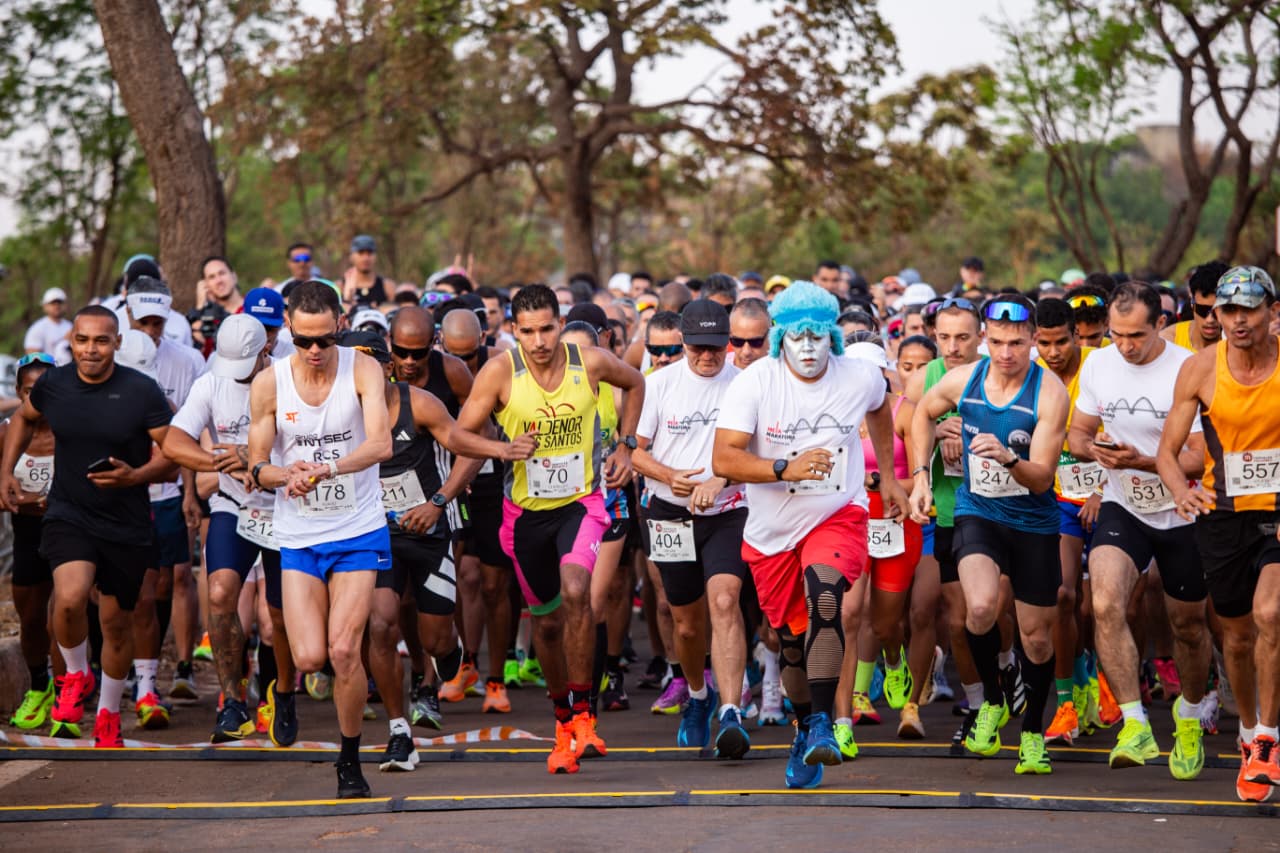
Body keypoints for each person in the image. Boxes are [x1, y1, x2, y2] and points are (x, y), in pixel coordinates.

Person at [713, 281, 909, 789]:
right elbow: (724, 458)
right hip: (771, 530)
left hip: (836, 513)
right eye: (796, 337)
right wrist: (785, 467)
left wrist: (887, 475)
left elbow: (881, 409)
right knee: (790, 642)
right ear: (780, 337)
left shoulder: (858, 376)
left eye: (817, 337)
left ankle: (824, 720)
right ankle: (805, 727)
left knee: (826, 596)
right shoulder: (755, 382)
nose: (806, 348)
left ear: (833, 340)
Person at [453, 283, 645, 775]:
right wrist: (503, 450)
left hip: (581, 504)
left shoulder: (591, 363)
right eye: (528, 331)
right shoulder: (500, 372)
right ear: (513, 331)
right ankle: (562, 719)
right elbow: (459, 433)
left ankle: (584, 714)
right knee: (547, 621)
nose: (539, 341)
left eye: (547, 329)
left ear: (560, 325)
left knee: (578, 590)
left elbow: (637, 384)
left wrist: (625, 447)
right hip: (525, 516)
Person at [909, 294, 1069, 776]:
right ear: (986, 339)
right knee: (977, 609)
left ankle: (1035, 734)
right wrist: (920, 473)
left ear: (1033, 341)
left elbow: (1042, 478)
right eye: (997, 342)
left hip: (1033, 521)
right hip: (978, 512)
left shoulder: (1050, 392)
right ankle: (993, 703)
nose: (1005, 354)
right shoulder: (965, 379)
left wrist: (1007, 458)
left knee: (1037, 639)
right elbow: (920, 413)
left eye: (1016, 343)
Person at [0, 307, 175, 747]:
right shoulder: (55, 384)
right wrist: (6, 470)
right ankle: (76, 673)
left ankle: (109, 713)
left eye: (100, 341)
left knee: (116, 625)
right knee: (71, 598)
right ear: (71, 342)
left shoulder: (141, 391)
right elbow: (22, 417)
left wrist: (135, 476)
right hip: (70, 513)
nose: (90, 350)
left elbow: (171, 453)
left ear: (116, 343)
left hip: (126, 520)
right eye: (82, 340)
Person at [246, 280, 393, 798]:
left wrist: (326, 468)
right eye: (304, 340)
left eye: (324, 340)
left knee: (343, 650)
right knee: (310, 657)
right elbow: (256, 465)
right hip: (299, 533)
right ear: (288, 326)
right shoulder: (269, 384)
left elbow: (379, 444)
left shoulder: (364, 368)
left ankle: (349, 762)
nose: (314, 351)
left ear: (340, 326)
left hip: (356, 526)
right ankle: (284, 691)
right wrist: (284, 475)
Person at [1066, 280, 1211, 780]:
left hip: (1183, 509)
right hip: (1124, 505)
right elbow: (1078, 433)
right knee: (1103, 602)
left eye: (1135, 335)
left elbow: (1195, 457)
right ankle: (1134, 723)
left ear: (1161, 326)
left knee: (1189, 627)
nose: (1124, 345)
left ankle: (1190, 716)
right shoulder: (1100, 363)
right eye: (1115, 333)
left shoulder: (1187, 367)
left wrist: (1145, 461)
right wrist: (1097, 451)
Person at [1157, 266, 1280, 802]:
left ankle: (1269, 742)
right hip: (1223, 513)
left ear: (1272, 313)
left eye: (1248, 309)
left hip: (1276, 509)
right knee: (1236, 634)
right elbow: (1167, 450)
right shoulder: (1200, 370)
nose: (1236, 320)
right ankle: (1250, 730)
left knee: (1271, 614)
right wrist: (1181, 491)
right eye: (1226, 311)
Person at [160, 315, 303, 746]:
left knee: (277, 616)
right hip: (233, 506)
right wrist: (218, 464)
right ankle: (233, 702)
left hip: (286, 508)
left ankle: (282, 694)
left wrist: (253, 460)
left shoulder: (290, 379)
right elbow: (173, 441)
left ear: (267, 351)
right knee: (220, 591)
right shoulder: (210, 383)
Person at [633, 300, 752, 758]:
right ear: (682, 343)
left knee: (724, 601)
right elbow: (635, 453)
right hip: (668, 513)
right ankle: (698, 697)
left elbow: (756, 454)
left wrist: (721, 478)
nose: (708, 356)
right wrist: (668, 476)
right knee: (685, 624)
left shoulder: (746, 384)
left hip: (729, 510)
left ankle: (730, 712)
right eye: (699, 347)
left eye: (717, 348)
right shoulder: (658, 384)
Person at [125, 275, 207, 722]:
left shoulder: (187, 360)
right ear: (129, 311)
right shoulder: (109, 354)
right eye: (145, 320)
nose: (152, 330)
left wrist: (191, 493)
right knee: (123, 591)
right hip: (120, 496)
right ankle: (119, 674)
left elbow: (189, 435)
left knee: (165, 582)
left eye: (159, 321)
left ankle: (162, 674)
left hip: (168, 491)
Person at [1032, 298, 1100, 745]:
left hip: (1110, 493)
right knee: (1062, 596)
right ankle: (1068, 702)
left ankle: (1094, 672)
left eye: (1061, 342)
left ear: (1076, 336)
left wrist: (1101, 490)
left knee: (1103, 608)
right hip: (1058, 497)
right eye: (1045, 344)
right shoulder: (1032, 371)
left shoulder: (1101, 366)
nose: (1053, 352)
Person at [2, 353, 59, 732]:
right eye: (27, 392)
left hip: (70, 530)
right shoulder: (7, 433)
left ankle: (76, 686)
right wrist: (17, 498)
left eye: (44, 392)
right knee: (31, 615)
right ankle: (40, 685)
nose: (35, 400)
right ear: (19, 393)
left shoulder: (71, 429)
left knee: (68, 608)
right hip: (26, 531)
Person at [1163, 261, 1228, 353]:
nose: (1210, 320)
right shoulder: (1168, 342)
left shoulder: (1242, 346)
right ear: (1192, 303)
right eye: (1202, 310)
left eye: (1218, 311)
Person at [342, 235, 388, 306]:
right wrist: (347, 299)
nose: (365, 258)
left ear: (375, 256)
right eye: (361, 253)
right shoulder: (340, 287)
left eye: (369, 253)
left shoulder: (387, 287)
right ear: (351, 256)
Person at [25, 288, 72, 356]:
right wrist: (63, 340)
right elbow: (32, 358)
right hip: (49, 366)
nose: (57, 306)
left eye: (59, 302)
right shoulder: (37, 328)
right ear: (45, 306)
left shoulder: (70, 326)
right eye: (53, 303)